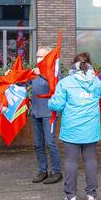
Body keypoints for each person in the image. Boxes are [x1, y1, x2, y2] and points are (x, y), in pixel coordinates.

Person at [48, 59, 101, 200]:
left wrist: (51, 100)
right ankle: (92, 194)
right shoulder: (96, 82)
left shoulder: (65, 82)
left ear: (73, 70)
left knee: (71, 162)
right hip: (91, 129)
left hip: (71, 129)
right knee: (91, 161)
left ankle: (71, 195)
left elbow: (57, 105)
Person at [29, 47, 62, 185]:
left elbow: (55, 84)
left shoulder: (54, 71)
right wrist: (12, 75)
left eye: (41, 56)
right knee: (38, 144)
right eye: (37, 56)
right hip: (36, 112)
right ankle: (43, 170)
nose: (38, 59)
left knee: (50, 142)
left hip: (49, 114)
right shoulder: (34, 72)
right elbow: (23, 81)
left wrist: (42, 73)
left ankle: (56, 171)